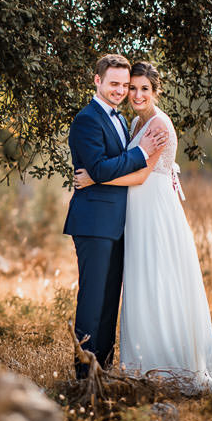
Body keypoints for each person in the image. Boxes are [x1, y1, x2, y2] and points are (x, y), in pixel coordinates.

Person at [75, 61, 212, 393]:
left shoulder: (159, 124)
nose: (133, 94)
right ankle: (132, 362)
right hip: (135, 211)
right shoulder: (134, 121)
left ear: (155, 90)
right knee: (142, 283)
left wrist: (93, 176)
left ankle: (167, 363)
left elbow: (141, 174)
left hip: (155, 210)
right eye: (129, 87)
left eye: (142, 88)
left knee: (160, 281)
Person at [63, 54, 168, 379]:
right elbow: (98, 168)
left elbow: (106, 168)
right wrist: (139, 153)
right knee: (93, 300)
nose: (121, 90)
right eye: (115, 84)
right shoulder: (88, 119)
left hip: (118, 223)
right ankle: (84, 375)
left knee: (109, 302)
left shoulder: (121, 119)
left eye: (125, 85)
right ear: (98, 81)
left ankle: (102, 370)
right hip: (94, 223)